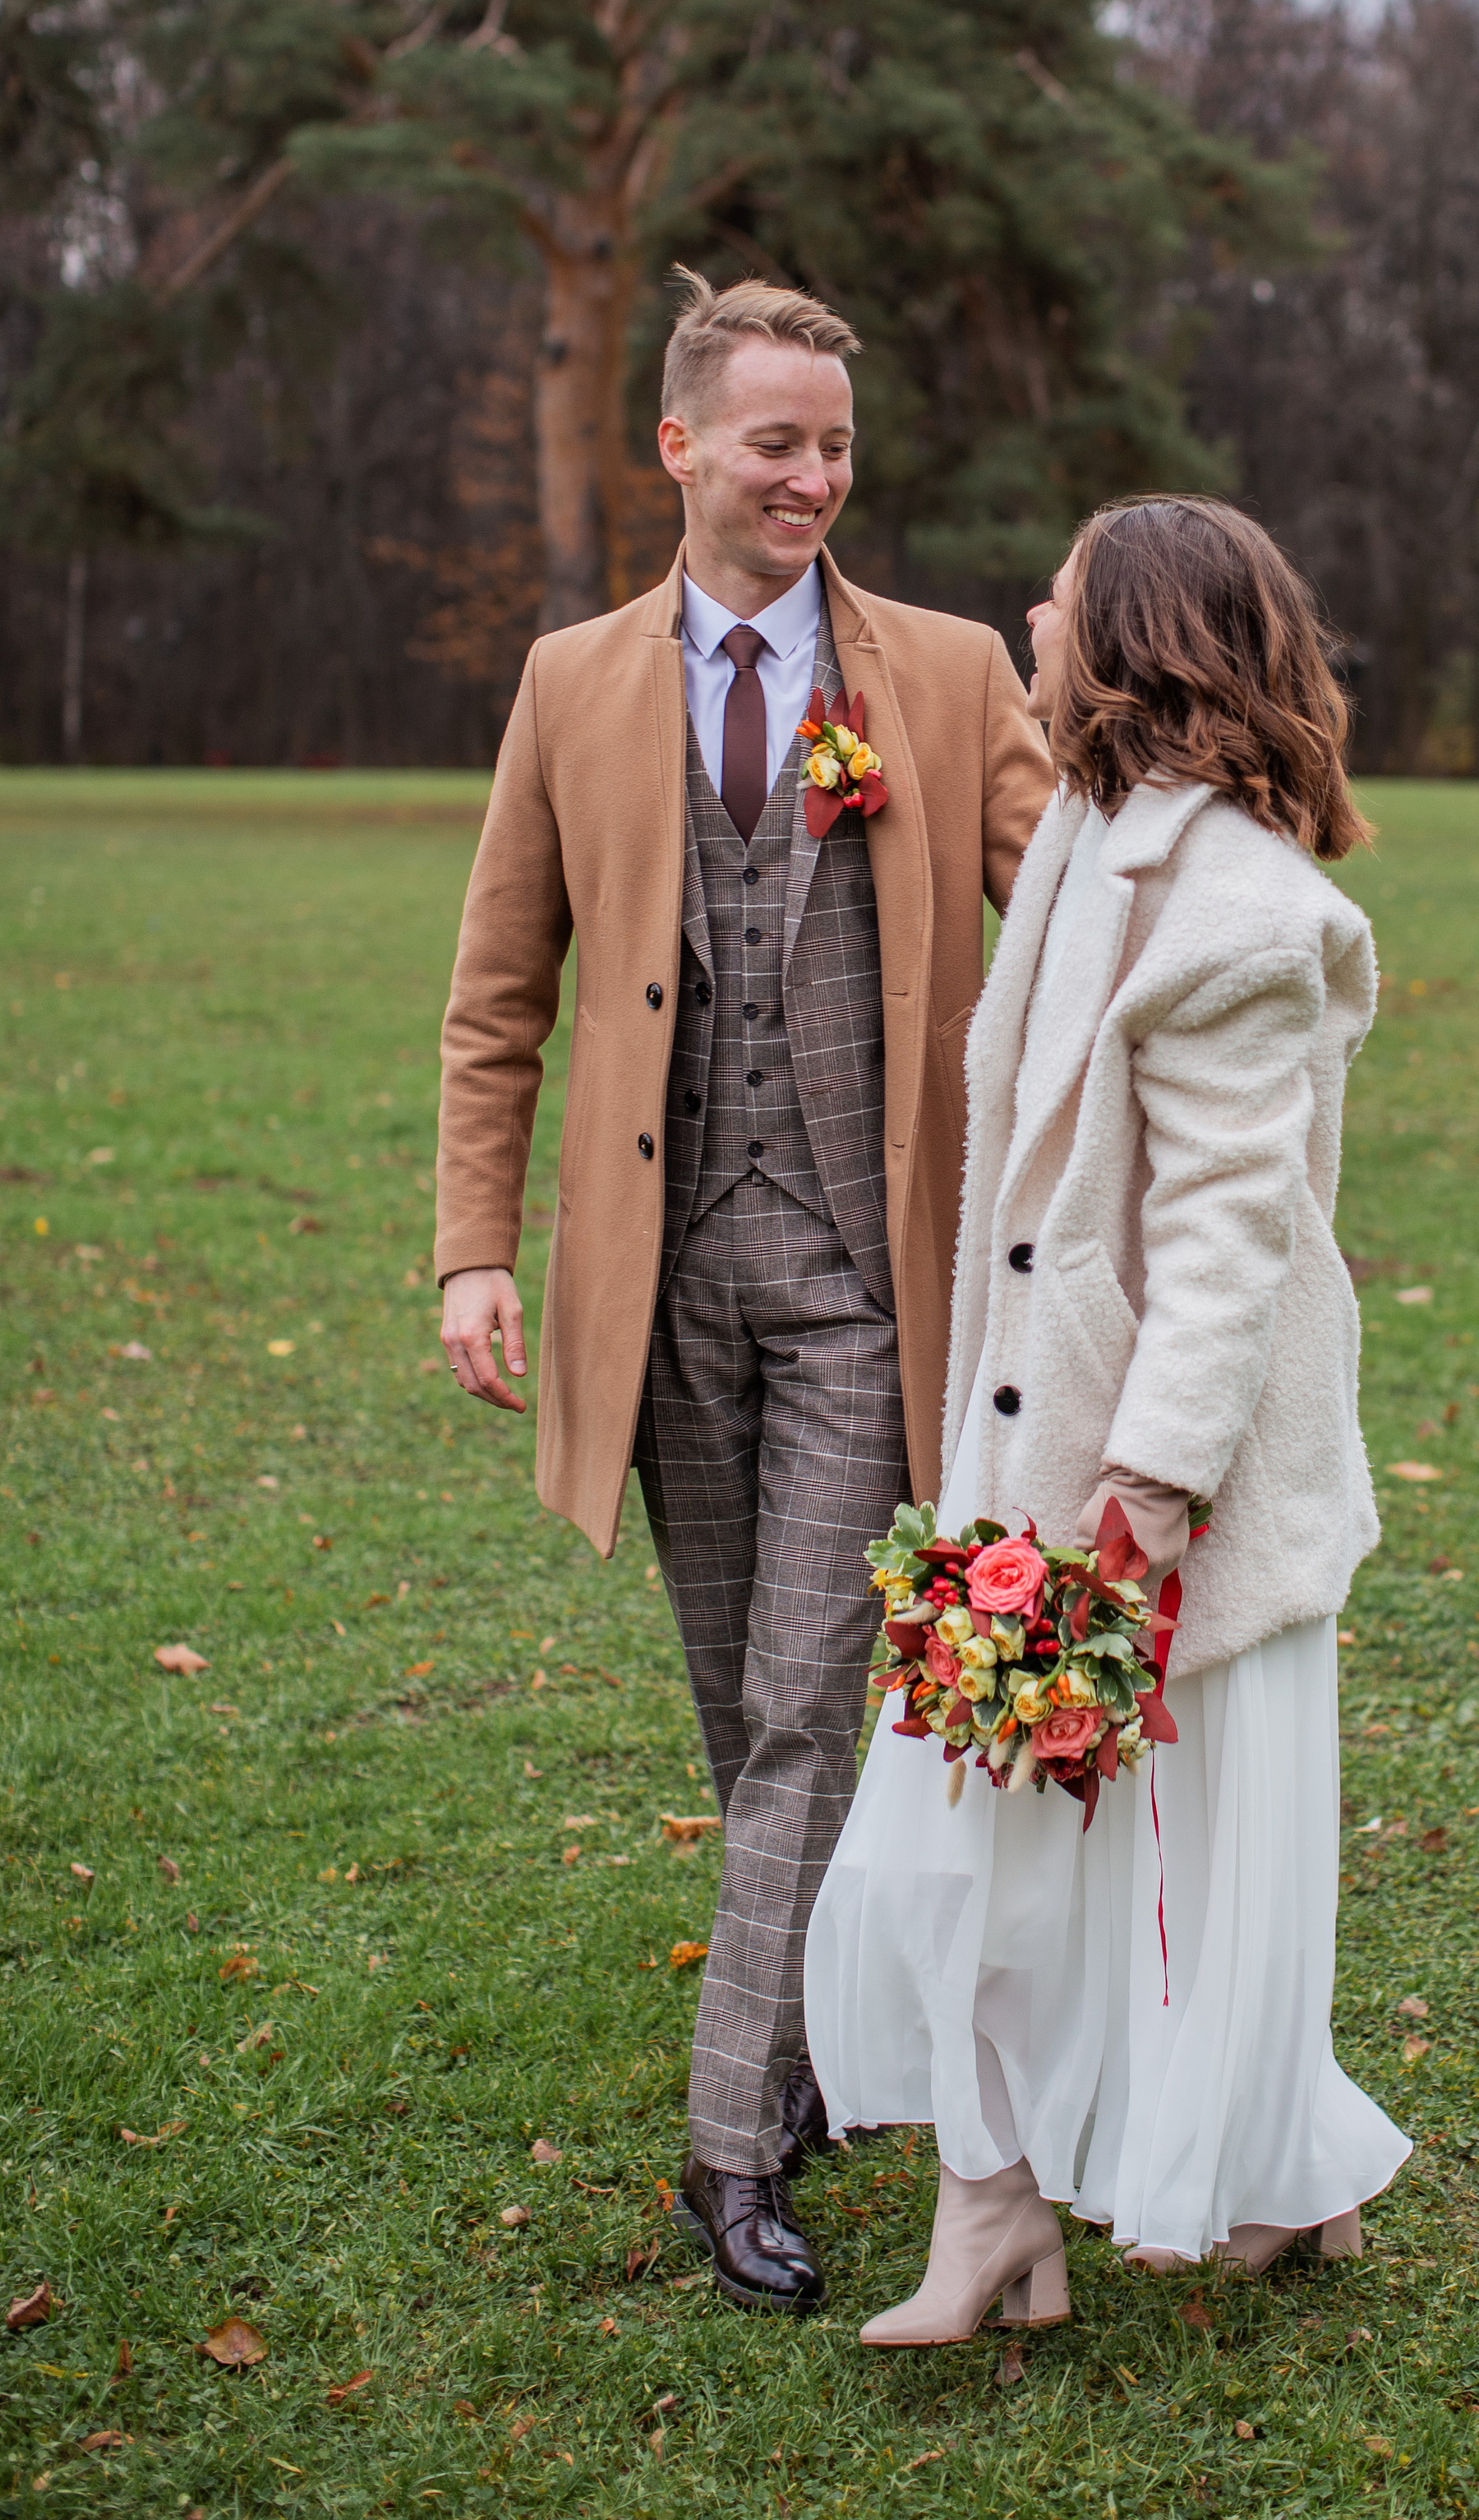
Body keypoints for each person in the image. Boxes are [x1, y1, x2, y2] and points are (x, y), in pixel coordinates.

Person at [432, 273, 1053, 2316]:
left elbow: (1073, 905)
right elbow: (496, 997)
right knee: (740, 1706)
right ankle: (812, 2038)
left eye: (837, 447)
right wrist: (471, 1246)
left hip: (872, 1286)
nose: (813, 479)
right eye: (777, 443)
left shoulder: (945, 672)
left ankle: (729, 2142)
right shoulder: (567, 683)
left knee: (806, 1702)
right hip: (659, 1288)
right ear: (680, 446)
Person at [806, 495, 1410, 2345]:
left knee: (1180, 1859)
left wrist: (1150, 1482)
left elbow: (1229, 1231)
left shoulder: (1240, 908)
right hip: (1032, 1444)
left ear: (1136, 638)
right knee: (964, 1848)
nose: (1030, 616)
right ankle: (1005, 2211)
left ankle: (1253, 2173)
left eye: (1059, 598)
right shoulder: (1084, 832)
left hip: (1158, 1476)